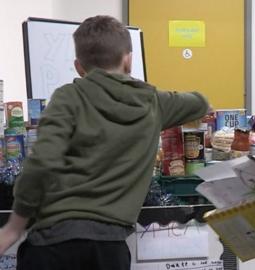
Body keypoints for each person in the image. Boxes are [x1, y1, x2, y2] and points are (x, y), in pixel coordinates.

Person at [0, 15, 209, 270]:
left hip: (53, 244)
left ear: (79, 67)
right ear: (129, 59)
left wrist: (13, 227)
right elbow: (200, 102)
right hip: (109, 251)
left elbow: (42, 162)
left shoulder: (68, 97)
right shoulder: (154, 102)